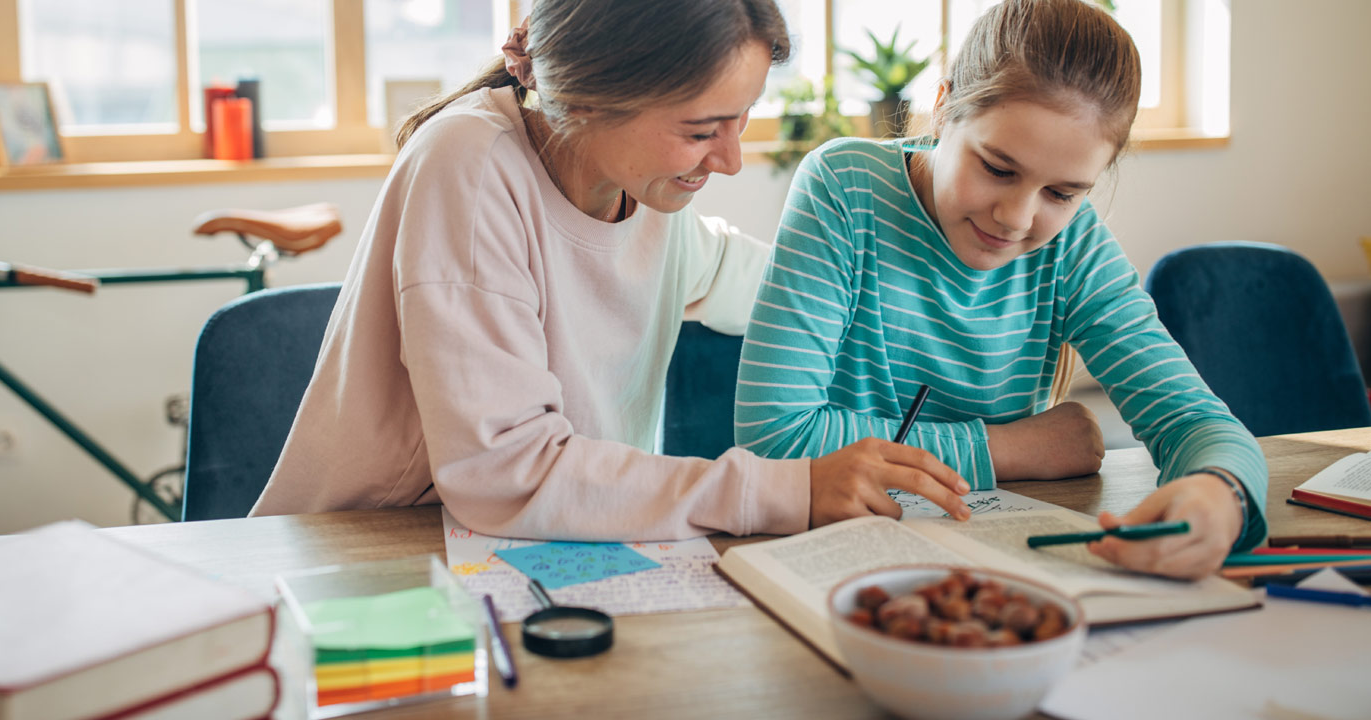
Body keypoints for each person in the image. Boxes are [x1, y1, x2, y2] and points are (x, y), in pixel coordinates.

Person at [250, 0, 972, 540]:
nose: (730, 159)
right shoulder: (468, 168)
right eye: (700, 130)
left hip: (543, 552)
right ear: (589, 99)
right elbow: (508, 476)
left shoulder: (649, 200)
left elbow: (777, 289)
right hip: (371, 560)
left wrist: (925, 294)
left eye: (741, 118)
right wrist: (789, 491)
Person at [735, 0, 1265, 579]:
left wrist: (1222, 495)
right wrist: (1011, 449)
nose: (1015, 218)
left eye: (1061, 194)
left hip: (998, 568)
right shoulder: (844, 187)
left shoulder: (1075, 247)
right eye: (997, 168)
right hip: (829, 563)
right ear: (942, 109)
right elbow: (775, 438)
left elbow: (1195, 421)